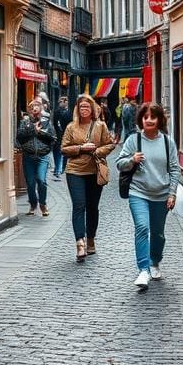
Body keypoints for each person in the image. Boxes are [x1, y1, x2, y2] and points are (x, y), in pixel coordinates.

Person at [116, 102, 180, 291]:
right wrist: (131, 160)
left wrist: (172, 193)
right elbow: (119, 164)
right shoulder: (133, 140)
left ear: (159, 120)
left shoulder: (168, 142)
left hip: (161, 194)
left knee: (158, 234)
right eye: (146, 117)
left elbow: (174, 169)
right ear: (141, 120)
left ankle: (155, 261)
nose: (149, 120)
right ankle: (143, 269)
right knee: (142, 228)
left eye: (153, 117)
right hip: (139, 192)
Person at [61, 94, 116, 262]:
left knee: (92, 207)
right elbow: (64, 148)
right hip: (75, 171)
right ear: (77, 109)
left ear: (92, 109)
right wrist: (81, 148)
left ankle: (91, 238)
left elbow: (110, 144)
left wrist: (98, 151)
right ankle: (80, 242)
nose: (84, 109)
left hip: (94, 171)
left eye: (87, 107)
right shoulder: (71, 127)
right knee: (79, 206)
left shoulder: (100, 126)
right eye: (81, 107)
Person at [16, 98, 55, 216]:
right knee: (31, 183)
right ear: (29, 110)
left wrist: (41, 132)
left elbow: (53, 138)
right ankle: (33, 204)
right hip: (28, 156)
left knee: (41, 180)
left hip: (43, 156)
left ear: (41, 109)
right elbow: (20, 137)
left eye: (37, 107)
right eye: (32, 108)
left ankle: (42, 204)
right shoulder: (25, 123)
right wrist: (33, 130)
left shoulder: (47, 122)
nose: (34, 109)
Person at [51, 96, 70, 181]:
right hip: (59, 135)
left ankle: (62, 168)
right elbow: (55, 123)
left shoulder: (70, 112)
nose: (61, 103)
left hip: (67, 135)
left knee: (65, 152)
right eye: (60, 101)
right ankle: (58, 169)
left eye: (63, 101)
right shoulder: (57, 112)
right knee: (58, 152)